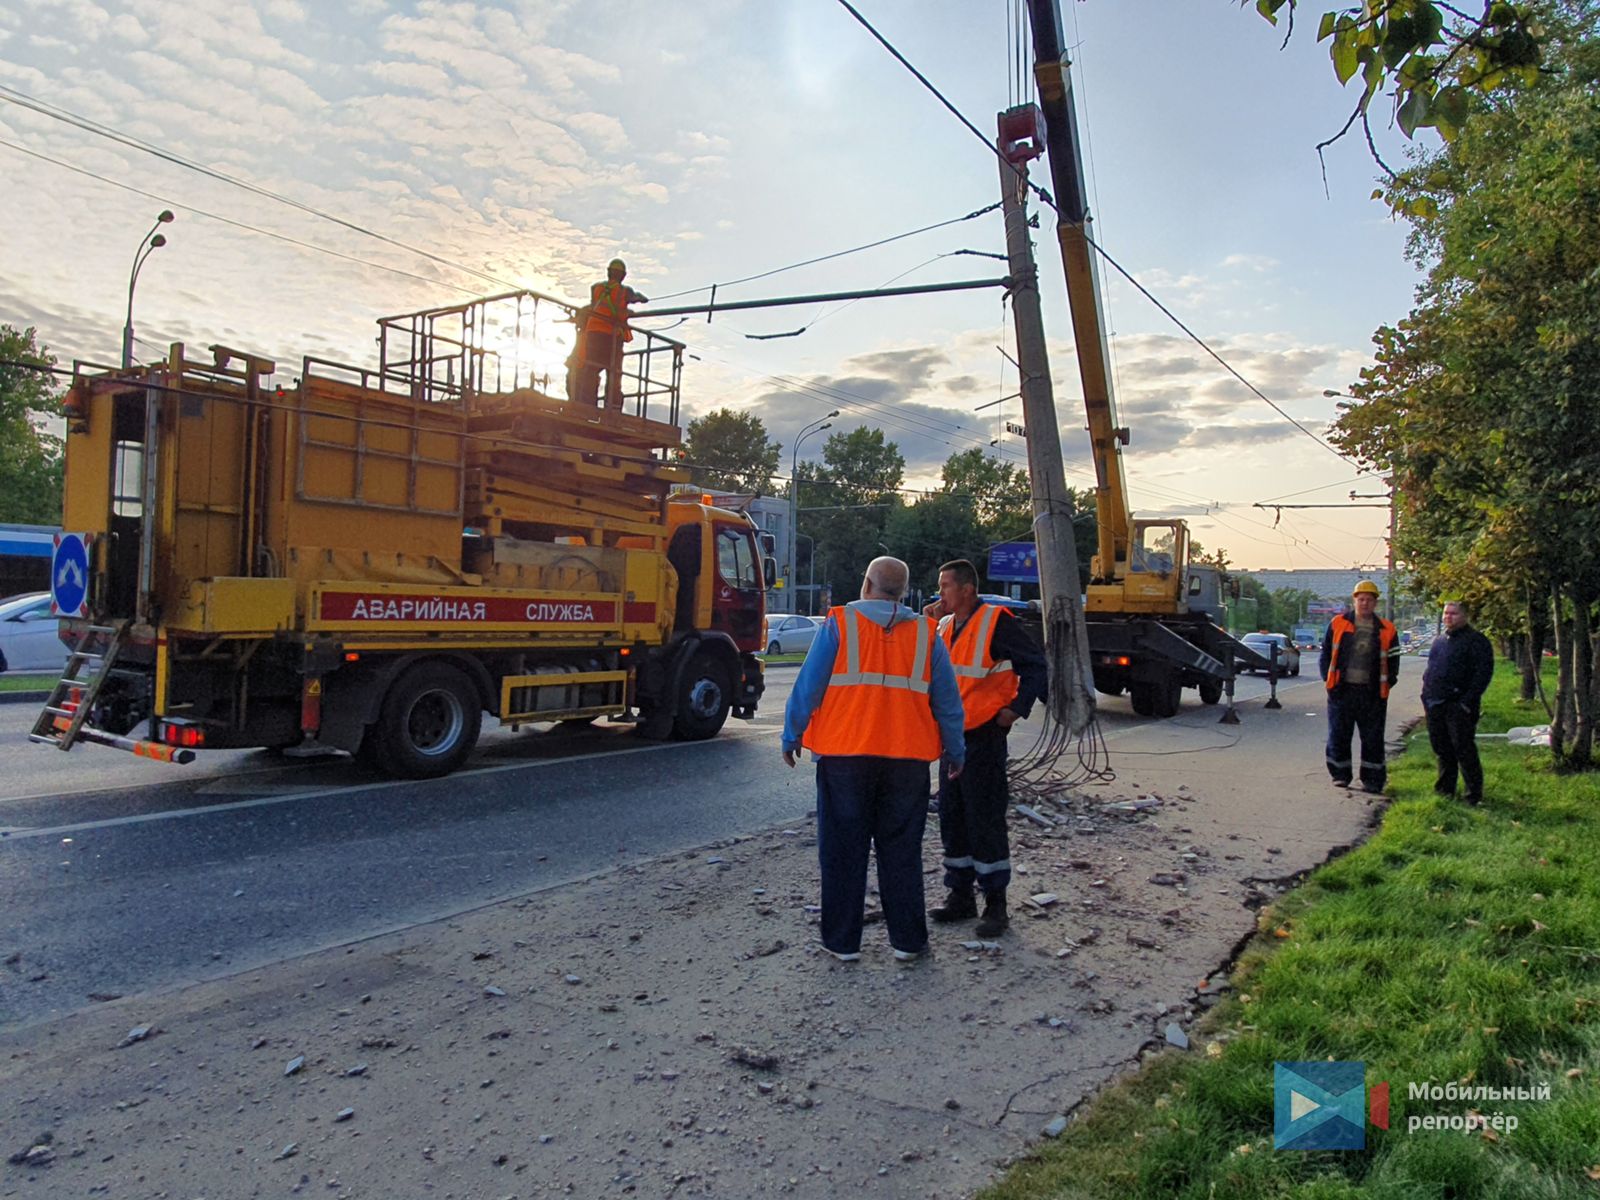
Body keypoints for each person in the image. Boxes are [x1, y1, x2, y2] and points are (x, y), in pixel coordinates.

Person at [782, 556, 966, 963]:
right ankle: (908, 942)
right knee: (901, 853)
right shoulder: (926, 634)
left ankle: (842, 943)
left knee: (843, 853)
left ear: (867, 584)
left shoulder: (839, 624)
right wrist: (955, 750)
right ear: (902, 591)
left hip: (845, 758)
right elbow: (948, 703)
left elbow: (808, 686)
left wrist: (791, 735)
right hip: (907, 763)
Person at [922, 560, 1049, 938]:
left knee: (985, 819)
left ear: (966, 589)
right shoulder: (943, 625)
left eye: (945, 586)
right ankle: (960, 896)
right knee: (953, 817)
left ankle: (996, 905)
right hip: (952, 740)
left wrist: (1016, 709)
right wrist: (928, 622)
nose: (940, 593)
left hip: (983, 737)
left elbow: (1036, 665)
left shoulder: (997, 621)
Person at [1318, 579, 1400, 794]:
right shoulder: (1338, 623)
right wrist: (1329, 683)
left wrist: (1387, 682)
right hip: (1342, 691)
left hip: (1372, 694)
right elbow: (1325, 654)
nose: (1365, 603)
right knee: (1339, 734)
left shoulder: (1387, 629)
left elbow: (1393, 662)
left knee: (1372, 738)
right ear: (1354, 601)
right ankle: (1340, 775)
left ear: (1375, 603)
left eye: (1369, 600)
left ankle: (1373, 780)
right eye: (1361, 599)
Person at [1421, 600, 1495, 804]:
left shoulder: (1476, 641)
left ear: (1464, 616)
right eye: (1446, 613)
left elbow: (1483, 675)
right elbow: (1431, 670)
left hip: (1459, 706)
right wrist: (1425, 696)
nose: (1448, 617)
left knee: (1464, 750)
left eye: (1453, 613)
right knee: (1442, 749)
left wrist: (1466, 702)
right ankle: (1445, 791)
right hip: (1435, 703)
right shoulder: (1439, 641)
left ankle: (1473, 794)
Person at [572, 258, 648, 411]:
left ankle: (585, 405)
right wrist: (639, 299)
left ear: (608, 273)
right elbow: (638, 298)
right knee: (613, 372)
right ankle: (612, 406)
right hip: (610, 336)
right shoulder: (625, 291)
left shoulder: (596, 289)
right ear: (623, 276)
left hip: (593, 333)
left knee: (591, 369)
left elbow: (600, 306)